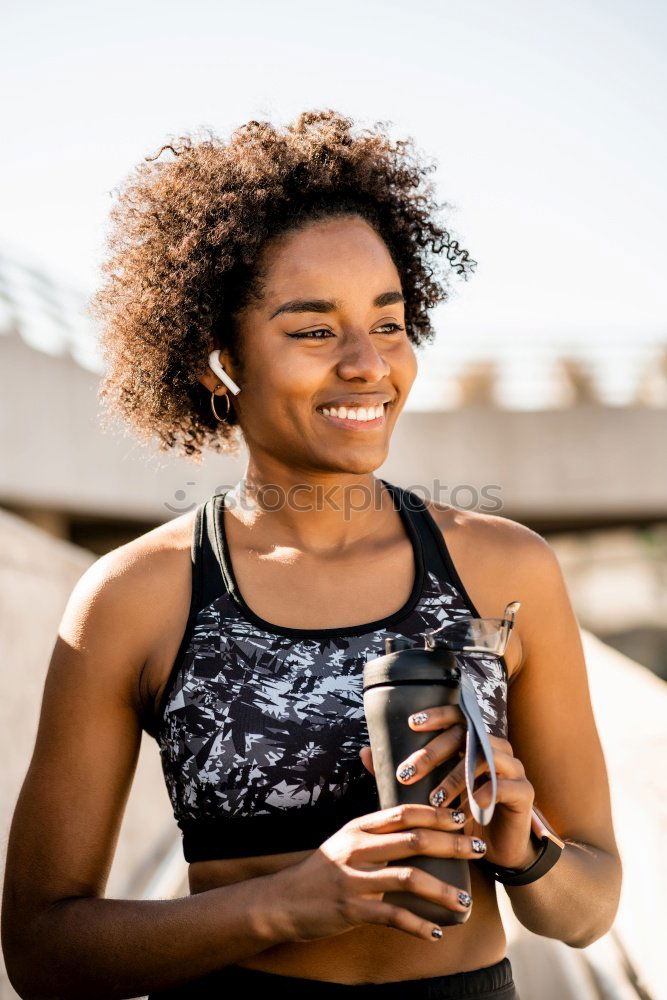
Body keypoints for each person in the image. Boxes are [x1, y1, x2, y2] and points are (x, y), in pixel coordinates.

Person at [1, 110, 621, 1000]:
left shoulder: (505, 570)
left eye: (389, 321)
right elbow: (42, 950)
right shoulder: (134, 597)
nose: (369, 364)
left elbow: (589, 907)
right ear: (220, 359)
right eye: (313, 330)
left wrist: (524, 847)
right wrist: (290, 903)